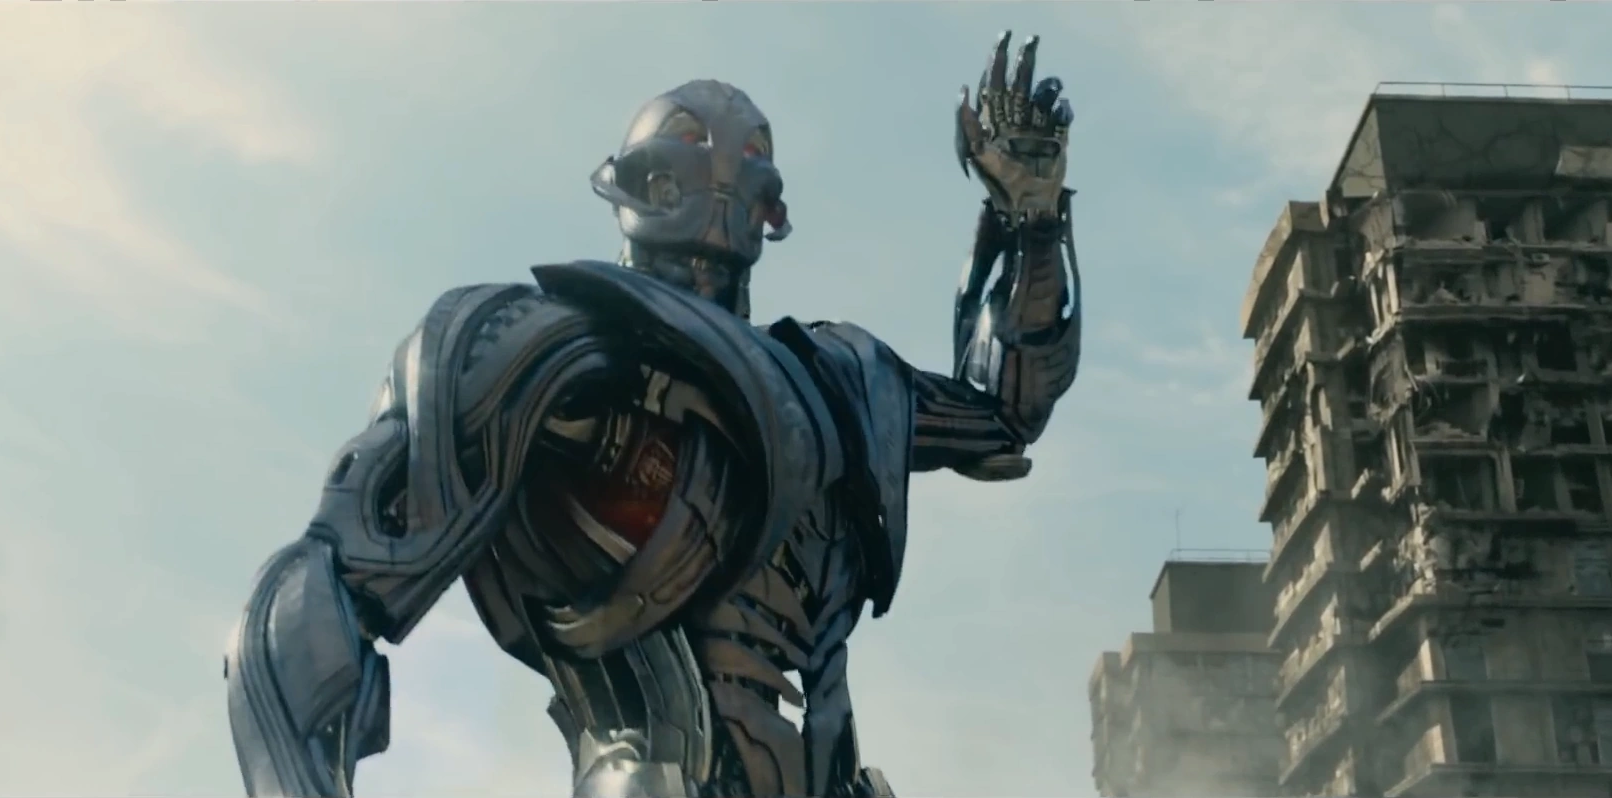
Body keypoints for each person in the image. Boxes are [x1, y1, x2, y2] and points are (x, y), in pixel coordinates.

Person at [224, 31, 1083, 798]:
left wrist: (1033, 219)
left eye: (744, 159)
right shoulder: (542, 349)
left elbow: (1003, 411)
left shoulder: (841, 382)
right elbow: (323, 586)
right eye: (695, 152)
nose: (722, 178)